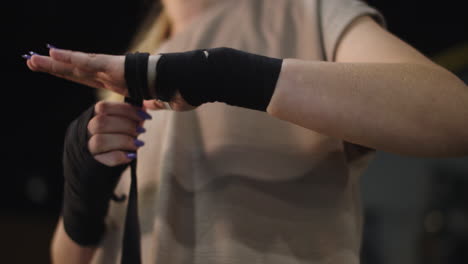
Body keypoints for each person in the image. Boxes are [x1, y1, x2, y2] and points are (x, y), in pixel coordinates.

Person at [25, 0, 468, 263]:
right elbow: (71, 257)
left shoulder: (304, 12)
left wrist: (229, 76)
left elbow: (456, 115)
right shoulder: (116, 81)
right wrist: (82, 199)